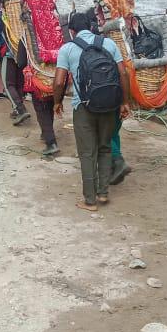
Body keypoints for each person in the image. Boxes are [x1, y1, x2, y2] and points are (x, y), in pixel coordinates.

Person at [54, 11, 130, 211]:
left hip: (83, 107)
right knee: (105, 147)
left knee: (87, 153)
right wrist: (124, 102)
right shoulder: (109, 44)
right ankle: (103, 193)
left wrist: (57, 102)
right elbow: (123, 72)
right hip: (109, 105)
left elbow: (59, 81)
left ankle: (90, 200)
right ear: (90, 26)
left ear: (72, 31)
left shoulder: (67, 49)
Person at [0, 0, 30, 124]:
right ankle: (17, 108)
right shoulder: (22, 13)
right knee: (18, 83)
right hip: (23, 52)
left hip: (8, 53)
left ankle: (21, 110)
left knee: (8, 84)